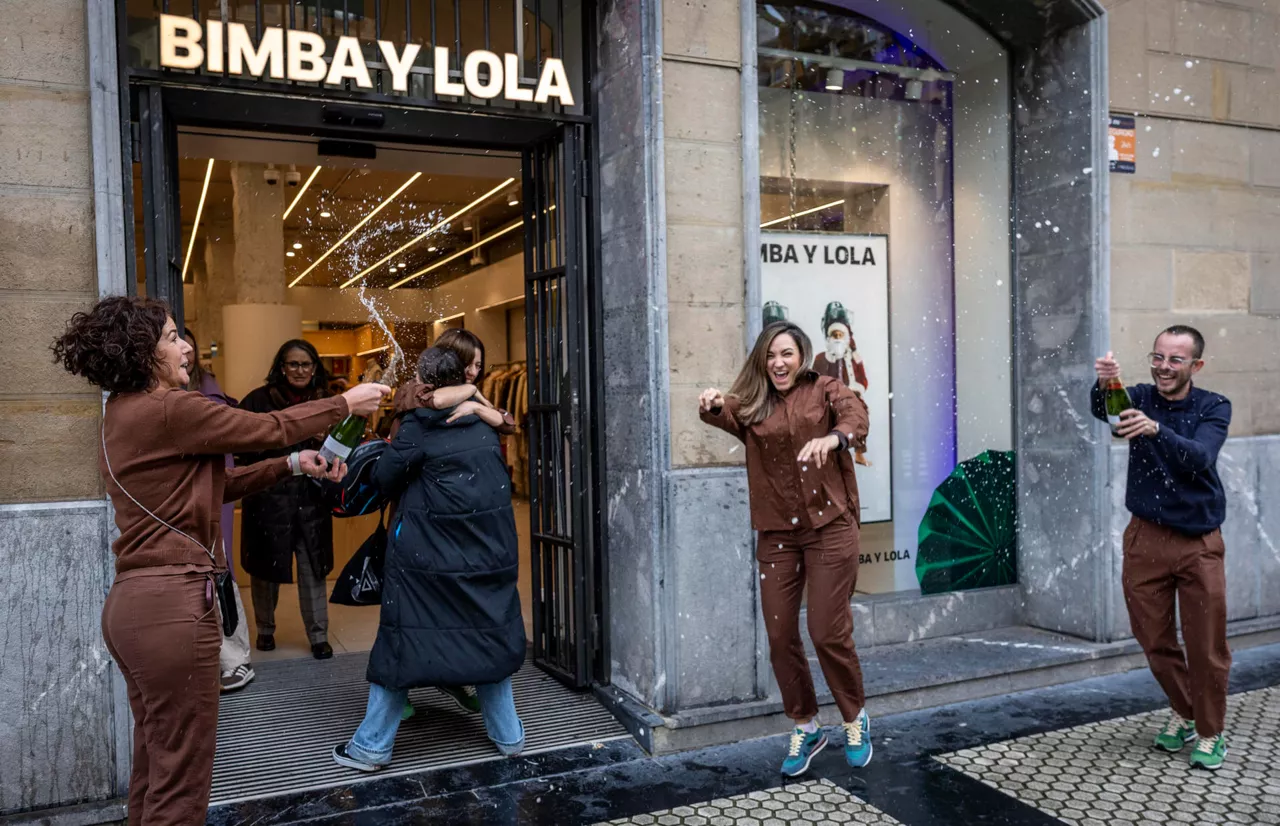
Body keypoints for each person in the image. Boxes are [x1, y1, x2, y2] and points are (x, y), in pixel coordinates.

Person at [51, 296, 388, 826]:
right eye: (171, 338)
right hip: (174, 608)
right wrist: (344, 403)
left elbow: (217, 484)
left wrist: (292, 464)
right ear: (142, 352)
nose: (186, 348)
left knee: (155, 766)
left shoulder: (122, 412)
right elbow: (268, 425)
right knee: (181, 788)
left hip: (135, 609)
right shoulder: (171, 409)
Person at [333, 347, 526, 771]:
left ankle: (371, 746)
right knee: (488, 635)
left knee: (403, 641)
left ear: (425, 381)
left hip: (428, 557)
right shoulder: (483, 422)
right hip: (488, 553)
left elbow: (384, 477)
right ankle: (509, 736)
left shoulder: (419, 426)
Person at [698, 321, 871, 777]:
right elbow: (725, 410)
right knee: (779, 636)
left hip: (830, 526)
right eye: (771, 355)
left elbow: (856, 416)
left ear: (802, 356)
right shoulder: (754, 402)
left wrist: (834, 438)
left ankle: (855, 717)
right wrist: (712, 403)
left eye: (787, 354)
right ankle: (806, 724)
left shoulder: (825, 388)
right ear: (762, 360)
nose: (778, 362)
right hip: (777, 534)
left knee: (827, 631)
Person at [1092, 326, 1233, 770]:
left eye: (1175, 360)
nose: (1163, 367)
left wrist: (1155, 430)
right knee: (1153, 639)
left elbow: (1200, 456)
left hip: (1198, 543)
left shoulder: (1214, 406)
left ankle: (1210, 731)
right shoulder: (1137, 396)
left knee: (1205, 645)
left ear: (1196, 365)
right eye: (1157, 357)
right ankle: (1186, 711)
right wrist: (1106, 383)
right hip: (1146, 538)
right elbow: (1106, 413)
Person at [388, 328, 516, 718]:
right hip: (418, 514)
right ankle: (398, 692)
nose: (476, 371)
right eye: (470, 364)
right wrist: (473, 397)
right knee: (413, 609)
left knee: (445, 610)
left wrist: (480, 407)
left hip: (455, 518)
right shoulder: (415, 393)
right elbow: (432, 400)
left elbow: (509, 423)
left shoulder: (468, 395)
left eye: (479, 364)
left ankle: (448, 679)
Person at [238, 340, 345, 659]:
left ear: (315, 368)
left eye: (306, 364)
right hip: (268, 499)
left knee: (313, 568)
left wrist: (326, 442)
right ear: (281, 367)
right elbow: (241, 447)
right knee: (264, 569)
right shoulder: (257, 401)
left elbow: (344, 446)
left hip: (312, 500)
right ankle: (265, 630)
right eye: (293, 364)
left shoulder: (328, 402)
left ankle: (318, 636)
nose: (299, 370)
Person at [183, 329, 255, 693]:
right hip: (180, 502)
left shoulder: (208, 393)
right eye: (172, 341)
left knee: (219, 572)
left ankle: (235, 658)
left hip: (209, 497)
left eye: (188, 344)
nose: (184, 350)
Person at [812, 302, 871, 467]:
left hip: (849, 396)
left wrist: (855, 390)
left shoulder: (853, 357)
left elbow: (862, 379)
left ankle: (859, 451)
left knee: (860, 412)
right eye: (834, 335)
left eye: (840, 334)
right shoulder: (821, 358)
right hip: (827, 398)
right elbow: (814, 380)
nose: (837, 338)